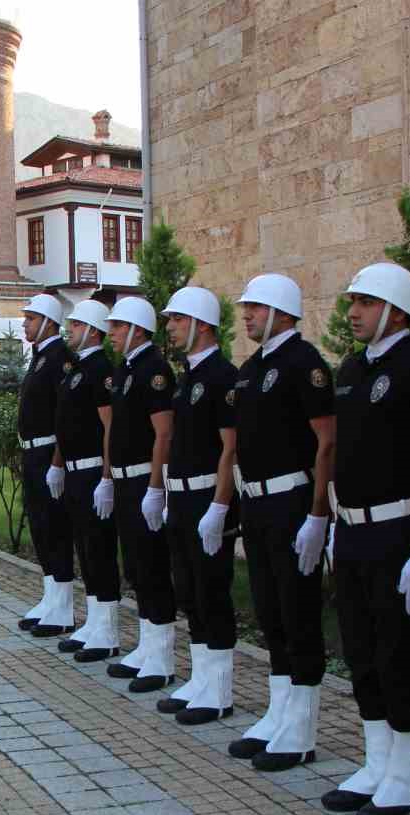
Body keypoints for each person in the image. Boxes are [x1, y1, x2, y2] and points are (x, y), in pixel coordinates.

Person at [320, 264, 410, 815]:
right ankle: (378, 763)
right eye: (352, 300)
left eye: (366, 302)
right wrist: (328, 522)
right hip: (351, 529)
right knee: (361, 651)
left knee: (399, 653)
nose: (353, 311)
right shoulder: (352, 369)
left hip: (398, 530)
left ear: (397, 310)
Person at [224, 274, 335, 772]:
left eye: (255, 308)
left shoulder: (304, 364)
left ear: (283, 312)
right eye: (246, 308)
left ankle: (303, 727)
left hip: (292, 499)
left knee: (297, 612)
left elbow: (325, 442)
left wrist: (317, 513)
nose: (246, 316)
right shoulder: (251, 368)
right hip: (257, 502)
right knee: (270, 610)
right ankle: (279, 711)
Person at [156, 286, 242, 726]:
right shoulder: (189, 374)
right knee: (189, 590)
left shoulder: (223, 377)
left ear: (202, 324)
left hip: (209, 496)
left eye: (177, 319)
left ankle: (221, 689)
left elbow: (231, 449)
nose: (170, 327)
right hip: (184, 495)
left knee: (212, 592)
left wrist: (220, 507)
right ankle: (201, 678)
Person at [102, 296, 178, 692]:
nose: (111, 333)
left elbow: (163, 433)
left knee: (151, 567)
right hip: (125, 479)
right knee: (134, 565)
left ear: (137, 329)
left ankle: (163, 658)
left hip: (145, 481)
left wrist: (155, 488)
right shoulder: (126, 369)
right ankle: (148, 647)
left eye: (117, 326)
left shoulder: (154, 371)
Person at [49, 299, 122, 662]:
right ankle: (94, 623)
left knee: (99, 550)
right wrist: (57, 464)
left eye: (77, 326)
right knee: (85, 550)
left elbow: (109, 427)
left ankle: (107, 631)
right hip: (75, 469)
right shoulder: (78, 369)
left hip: (94, 470)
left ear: (93, 331)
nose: (70, 331)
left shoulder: (100, 371)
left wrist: (107, 477)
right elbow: (66, 423)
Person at [16, 293, 77, 639]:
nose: (25, 324)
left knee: (55, 529)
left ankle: (64, 607)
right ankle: (52, 598)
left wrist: (57, 462)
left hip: (49, 454)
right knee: (40, 527)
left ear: (49, 322)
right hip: (32, 453)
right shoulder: (40, 357)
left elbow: (63, 417)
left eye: (31, 319)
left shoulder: (60, 360)